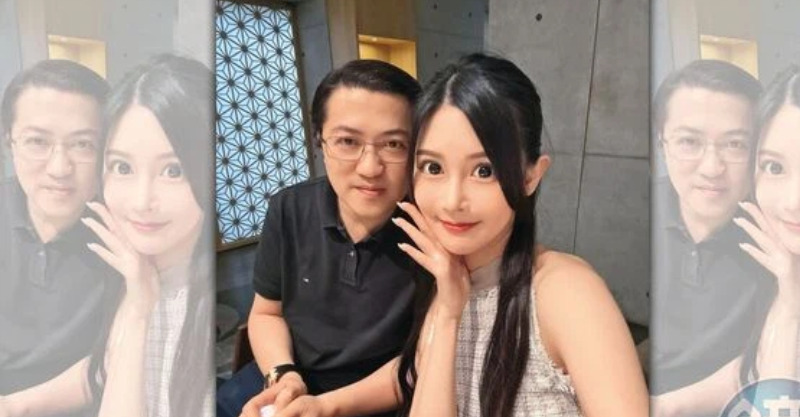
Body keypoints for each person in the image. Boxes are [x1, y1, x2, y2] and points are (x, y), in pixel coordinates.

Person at [392, 53, 648, 416]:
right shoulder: (446, 280)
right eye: (433, 167)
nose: (452, 201)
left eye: (484, 171)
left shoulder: (565, 292)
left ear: (531, 176)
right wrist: (448, 312)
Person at [217, 60, 421, 417]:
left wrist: (326, 407)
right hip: (293, 375)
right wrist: (283, 375)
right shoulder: (289, 209)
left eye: (394, 144)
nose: (370, 167)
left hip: (377, 397)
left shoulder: (430, 231)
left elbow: (420, 362)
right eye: (348, 141)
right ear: (320, 142)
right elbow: (266, 313)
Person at [81, 54, 215, 416]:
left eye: (173, 171)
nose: (142, 202)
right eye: (122, 167)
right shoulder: (136, 268)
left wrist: (139, 310)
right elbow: (103, 370)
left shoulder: (202, 313)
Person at [649, 60, 774, 404]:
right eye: (689, 141)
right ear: (663, 145)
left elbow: (770, 358)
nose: (712, 168)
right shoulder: (635, 212)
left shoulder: (778, 233)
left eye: (735, 145)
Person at [0, 60, 113, 404]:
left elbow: (114, 361)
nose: (60, 168)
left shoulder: (126, 233)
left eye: (83, 145)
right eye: (37, 141)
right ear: (9, 143)